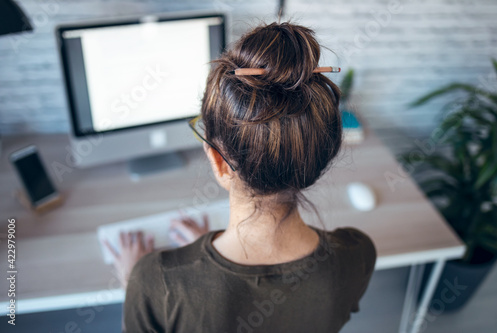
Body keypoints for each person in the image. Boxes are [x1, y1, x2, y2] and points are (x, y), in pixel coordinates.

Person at [106, 21, 377, 332]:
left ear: (220, 162)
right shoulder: (356, 255)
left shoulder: (156, 281)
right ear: (320, 154)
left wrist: (136, 284)